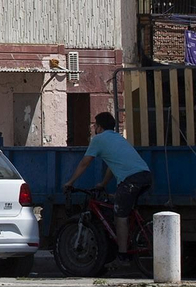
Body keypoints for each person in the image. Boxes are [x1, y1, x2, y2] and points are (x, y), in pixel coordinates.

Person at [63, 111, 153, 261]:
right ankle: (133, 237)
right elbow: (112, 165)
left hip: (131, 180)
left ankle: (123, 254)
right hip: (144, 176)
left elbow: (85, 163)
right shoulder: (118, 138)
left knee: (120, 215)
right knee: (123, 205)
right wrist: (103, 184)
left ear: (99, 127)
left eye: (94, 125)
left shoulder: (98, 139)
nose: (93, 128)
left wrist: (70, 182)